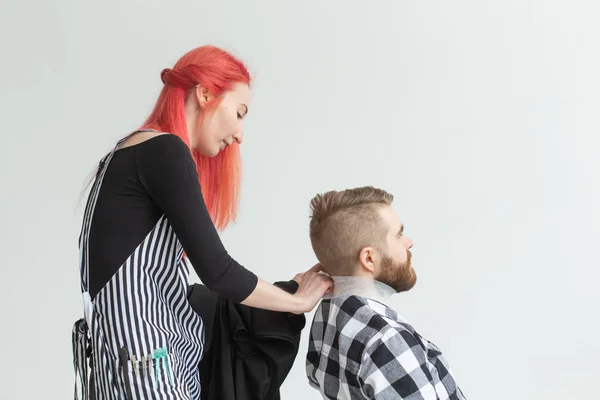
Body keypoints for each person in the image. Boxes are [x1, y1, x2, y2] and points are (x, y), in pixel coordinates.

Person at [72, 45, 333, 400]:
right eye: (239, 113)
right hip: (146, 364)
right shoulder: (164, 150)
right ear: (205, 94)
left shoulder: (128, 151)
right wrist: (298, 302)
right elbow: (218, 270)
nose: (240, 135)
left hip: (120, 361)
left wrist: (285, 290)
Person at [305, 186, 466, 399]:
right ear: (369, 259)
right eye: (398, 235)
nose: (409, 242)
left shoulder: (326, 317)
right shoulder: (386, 339)